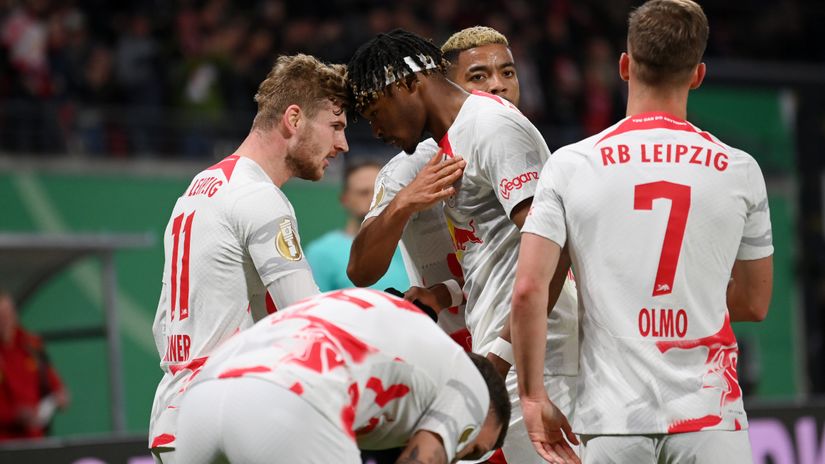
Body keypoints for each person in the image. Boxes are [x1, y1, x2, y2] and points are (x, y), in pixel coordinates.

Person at [510, 1, 774, 463]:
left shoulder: (571, 164)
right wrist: (694, 297)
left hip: (612, 420)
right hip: (710, 417)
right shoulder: (740, 169)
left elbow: (529, 290)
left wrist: (533, 397)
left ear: (624, 66)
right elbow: (754, 302)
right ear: (698, 76)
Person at [347, 29, 579, 463]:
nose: (376, 129)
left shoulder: (490, 126)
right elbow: (494, 258)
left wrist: (501, 361)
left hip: (536, 358)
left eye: (376, 112)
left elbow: (555, 248)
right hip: (505, 354)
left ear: (407, 83)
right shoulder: (451, 143)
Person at [149, 53, 350, 463]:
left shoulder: (202, 185)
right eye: (335, 126)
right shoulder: (259, 197)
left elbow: (164, 322)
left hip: (174, 415)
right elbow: (306, 316)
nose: (342, 145)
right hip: (227, 412)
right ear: (293, 119)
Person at [173, 288, 511, 464]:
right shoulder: (470, 387)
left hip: (201, 398)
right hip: (291, 401)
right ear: (484, 408)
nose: (458, 456)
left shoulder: (410, 340)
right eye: (471, 450)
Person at [348, 26, 523, 353]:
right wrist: (403, 203)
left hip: (516, 342)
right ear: (446, 81)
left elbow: (538, 254)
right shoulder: (410, 167)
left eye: (507, 72)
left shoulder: (504, 136)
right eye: (478, 77)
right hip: (463, 349)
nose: (496, 85)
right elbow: (360, 270)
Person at [306, 160, 409, 292]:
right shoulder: (321, 252)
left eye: (380, 191)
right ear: (345, 200)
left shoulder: (408, 244)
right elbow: (313, 302)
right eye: (364, 192)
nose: (374, 199)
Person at [0, 290, 69, 441]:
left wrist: (59, 396)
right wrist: (14, 415)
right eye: (1, 316)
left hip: (34, 440)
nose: (5, 320)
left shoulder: (30, 344)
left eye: (8, 314)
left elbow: (54, 383)